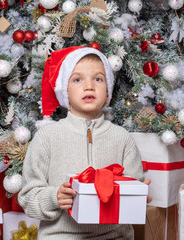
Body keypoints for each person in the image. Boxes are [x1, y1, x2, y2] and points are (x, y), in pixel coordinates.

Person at [18, 46, 150, 240]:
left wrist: (137, 197)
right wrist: (55, 197)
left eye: (98, 79)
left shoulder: (122, 138)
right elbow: (28, 197)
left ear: (107, 94)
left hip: (114, 236)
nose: (89, 86)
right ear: (65, 90)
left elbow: (133, 188)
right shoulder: (47, 137)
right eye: (77, 79)